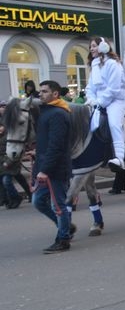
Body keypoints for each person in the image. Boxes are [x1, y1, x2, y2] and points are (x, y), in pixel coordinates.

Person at [31, 81, 73, 253]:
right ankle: (66, 228)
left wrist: (44, 170)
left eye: (44, 91)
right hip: (46, 165)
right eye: (40, 91)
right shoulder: (47, 111)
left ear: (55, 94)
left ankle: (63, 240)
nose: (40, 94)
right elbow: (46, 142)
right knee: (38, 201)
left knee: (59, 206)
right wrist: (36, 152)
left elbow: (56, 146)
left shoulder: (58, 114)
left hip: (55, 168)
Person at [85, 36, 125, 171]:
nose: (91, 49)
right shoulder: (95, 65)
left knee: (114, 124)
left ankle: (119, 158)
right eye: (91, 46)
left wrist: (100, 102)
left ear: (103, 46)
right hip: (98, 102)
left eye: (94, 46)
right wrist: (90, 100)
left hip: (115, 100)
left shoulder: (113, 64)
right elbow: (90, 87)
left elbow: (113, 89)